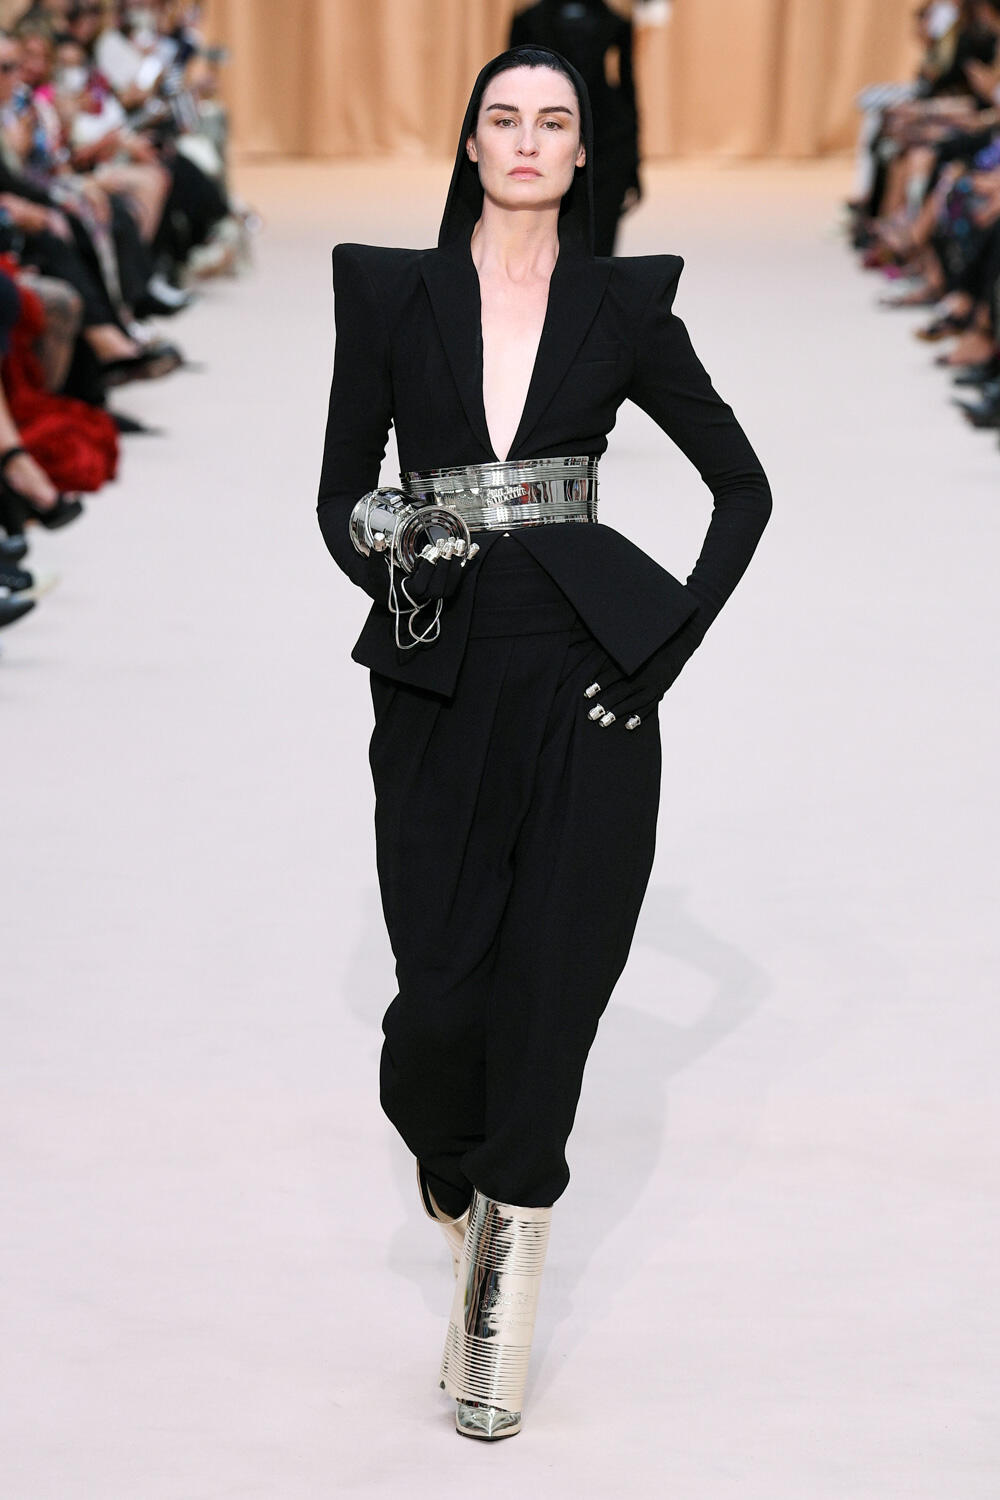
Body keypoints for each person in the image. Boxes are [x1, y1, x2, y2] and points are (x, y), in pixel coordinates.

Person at [317, 45, 772, 1442]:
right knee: (437, 1006)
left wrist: (660, 654)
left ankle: (493, 1339)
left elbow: (742, 488)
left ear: (582, 154)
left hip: (587, 679)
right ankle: (451, 1164)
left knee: (553, 1002)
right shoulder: (390, 293)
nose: (525, 140)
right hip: (439, 678)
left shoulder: (623, 306)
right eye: (503, 118)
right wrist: (403, 552)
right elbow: (339, 495)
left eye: (553, 121)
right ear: (469, 144)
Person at [510, 0, 640, 254]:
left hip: (602, 138)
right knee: (547, 237)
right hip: (556, 134)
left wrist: (634, 162)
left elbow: (628, 88)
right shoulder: (528, 21)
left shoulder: (615, 22)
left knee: (598, 240)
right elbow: (509, 89)